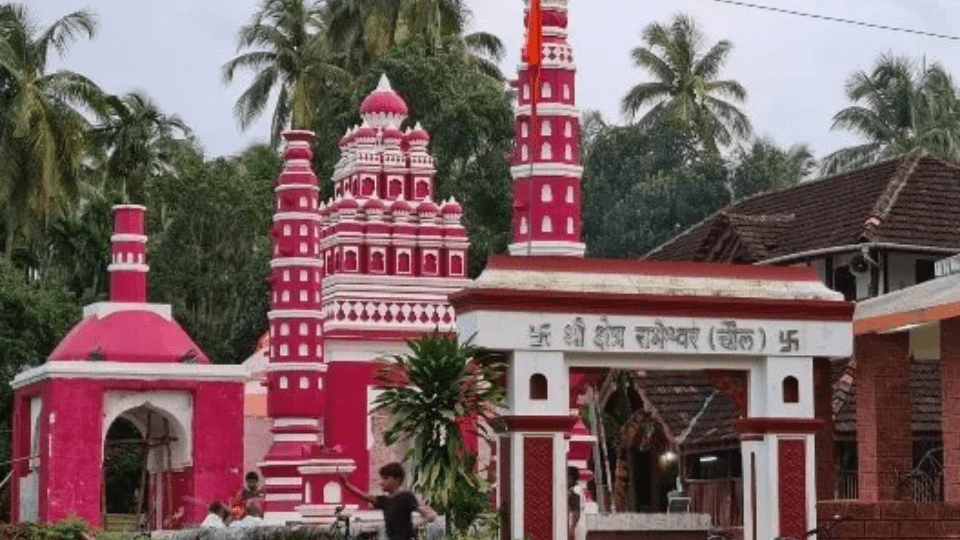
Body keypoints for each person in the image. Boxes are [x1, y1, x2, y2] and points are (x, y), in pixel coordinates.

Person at [339, 463, 436, 540]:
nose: (382, 482)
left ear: (397, 480)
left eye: (386, 478)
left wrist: (427, 517)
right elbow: (365, 496)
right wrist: (346, 485)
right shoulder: (385, 501)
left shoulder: (406, 497)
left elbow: (425, 513)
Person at [567, 466, 582, 540]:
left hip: (573, 523)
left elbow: (576, 510)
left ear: (571, 477)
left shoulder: (575, 490)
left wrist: (572, 527)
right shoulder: (569, 489)